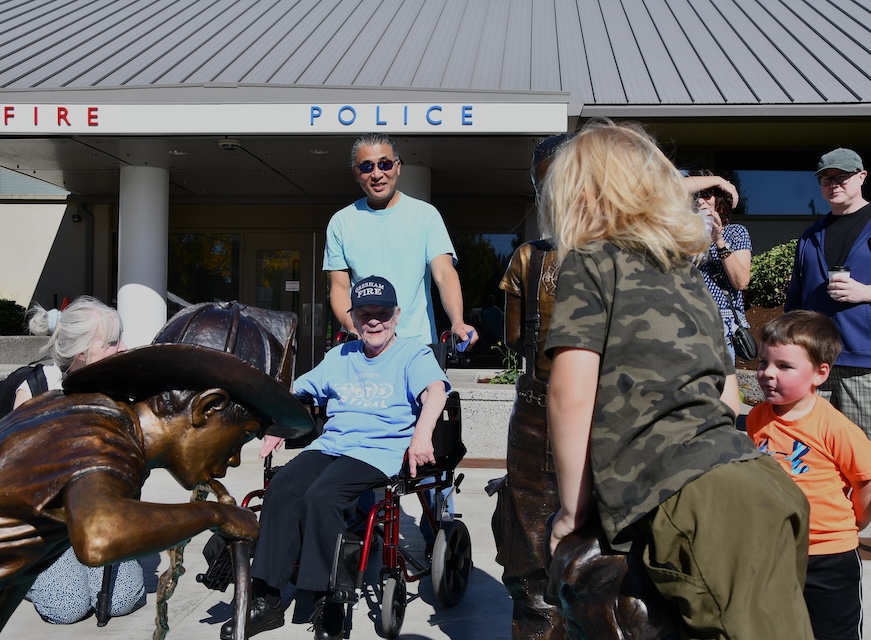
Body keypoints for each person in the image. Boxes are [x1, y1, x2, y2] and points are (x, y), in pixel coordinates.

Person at [540, 120, 814, 638]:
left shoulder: (592, 261)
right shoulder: (686, 274)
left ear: (580, 192)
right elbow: (726, 383)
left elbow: (569, 392)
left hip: (693, 500)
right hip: (759, 483)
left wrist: (571, 515)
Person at [0, 301, 314, 631]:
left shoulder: (94, 417)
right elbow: (98, 536)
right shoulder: (102, 435)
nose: (234, 459)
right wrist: (216, 515)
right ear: (208, 407)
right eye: (242, 436)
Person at [223, 276, 449, 640]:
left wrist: (422, 435)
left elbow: (435, 392)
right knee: (282, 488)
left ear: (397, 315)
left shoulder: (412, 353)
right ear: (354, 319)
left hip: (379, 451)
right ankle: (267, 601)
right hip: (331, 445)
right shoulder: (339, 356)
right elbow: (294, 390)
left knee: (323, 496)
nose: (374, 320)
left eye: (382, 313)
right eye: (365, 314)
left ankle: (330, 602)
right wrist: (276, 421)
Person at [10, 296, 145, 625]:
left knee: (121, 598)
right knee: (66, 606)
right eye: (113, 342)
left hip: (98, 519)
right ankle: (26, 578)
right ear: (83, 352)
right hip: (45, 525)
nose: (125, 346)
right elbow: (20, 490)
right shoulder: (35, 391)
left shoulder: (120, 392)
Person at [747, 310, 871, 640]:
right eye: (763, 363)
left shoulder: (837, 429)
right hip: (774, 550)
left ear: (819, 373)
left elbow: (865, 482)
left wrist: (854, 523)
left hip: (828, 555)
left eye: (784, 366)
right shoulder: (756, 418)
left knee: (834, 632)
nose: (767, 374)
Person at [491, 133, 571, 640]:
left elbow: (515, 337)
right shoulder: (627, 255)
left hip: (541, 408)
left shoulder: (529, 258)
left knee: (533, 550)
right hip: (547, 415)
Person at [323, 132, 476, 348]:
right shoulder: (341, 222)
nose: (377, 174)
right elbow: (339, 287)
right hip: (361, 348)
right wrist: (353, 326)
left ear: (397, 167)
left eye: (384, 164)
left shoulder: (426, 215)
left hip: (416, 346)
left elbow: (444, 273)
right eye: (367, 167)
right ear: (356, 174)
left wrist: (457, 321)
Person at [785, 148, 871, 438]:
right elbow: (795, 299)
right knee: (812, 447)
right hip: (813, 359)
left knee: (863, 452)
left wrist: (866, 292)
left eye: (842, 177)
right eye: (826, 178)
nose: (834, 184)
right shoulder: (810, 235)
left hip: (862, 362)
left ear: (861, 177)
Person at [687, 170, 753, 362]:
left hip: (720, 326)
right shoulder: (678, 237)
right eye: (694, 196)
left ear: (718, 200)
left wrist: (719, 241)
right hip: (684, 321)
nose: (700, 201)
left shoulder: (735, 233)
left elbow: (741, 282)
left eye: (706, 195)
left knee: (720, 388)